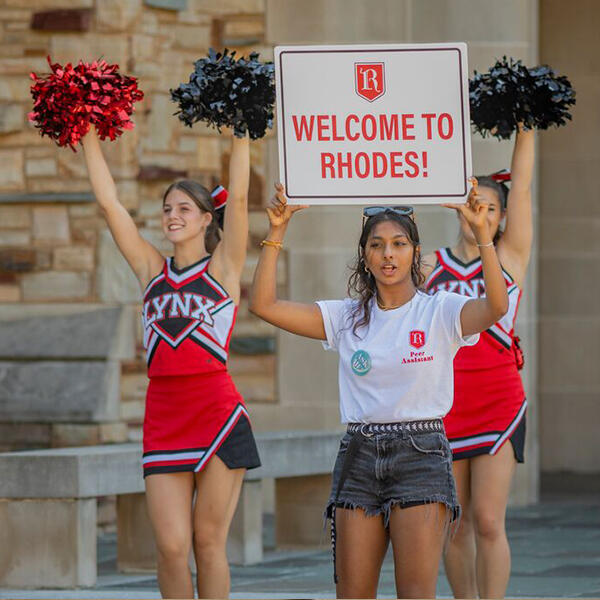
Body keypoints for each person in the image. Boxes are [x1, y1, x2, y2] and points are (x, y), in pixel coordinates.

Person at [249, 180, 508, 599]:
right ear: (365, 256)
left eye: (399, 243)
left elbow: (496, 307)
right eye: (377, 245)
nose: (388, 253)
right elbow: (264, 306)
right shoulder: (346, 317)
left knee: (415, 592)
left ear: (415, 252)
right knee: (352, 593)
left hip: (421, 454)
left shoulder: (439, 310)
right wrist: (276, 230)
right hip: (359, 454)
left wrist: (483, 236)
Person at [81, 126, 260, 599]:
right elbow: (110, 206)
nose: (172, 216)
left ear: (205, 220)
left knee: (207, 542)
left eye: (183, 209)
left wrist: (242, 132)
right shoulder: (150, 271)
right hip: (163, 419)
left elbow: (239, 201)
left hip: (218, 418)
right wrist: (85, 133)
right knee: (170, 547)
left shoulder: (222, 268)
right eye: (167, 210)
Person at [422, 127, 534, 599]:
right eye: (473, 205)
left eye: (490, 207)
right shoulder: (429, 265)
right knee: (456, 523)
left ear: (503, 216)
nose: (479, 214)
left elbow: (524, 185)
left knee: (489, 520)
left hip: (498, 401)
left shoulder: (509, 256)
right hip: (445, 404)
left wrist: (526, 127)